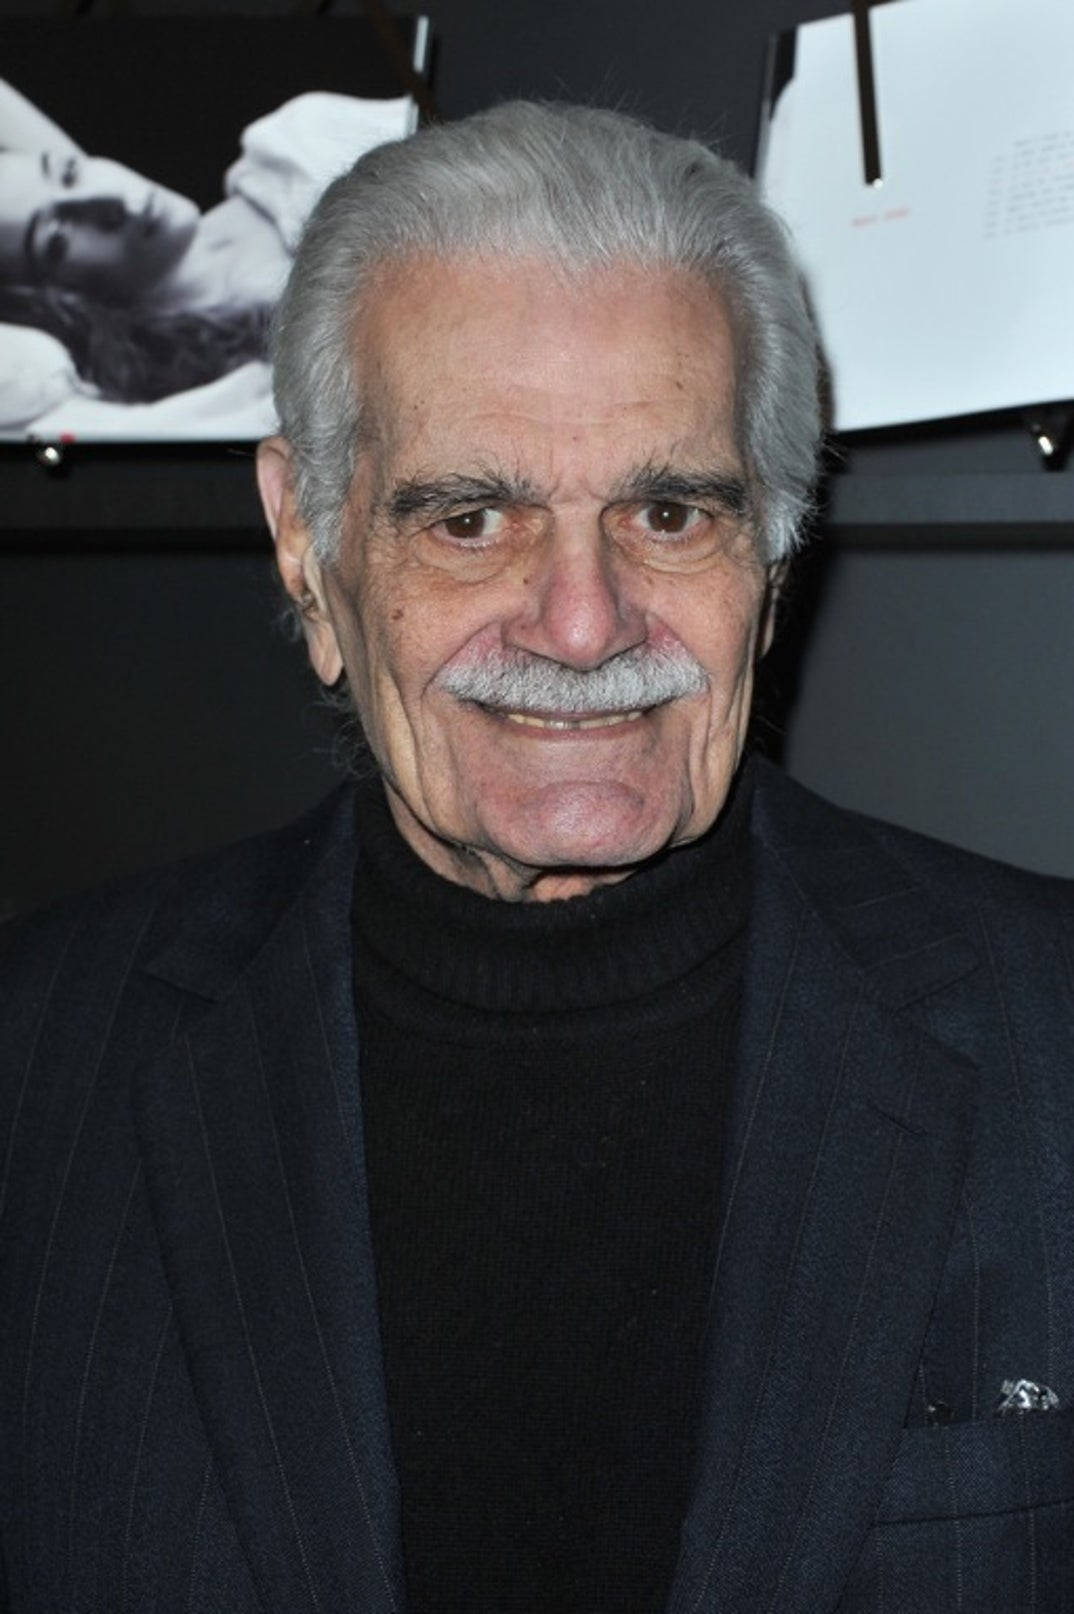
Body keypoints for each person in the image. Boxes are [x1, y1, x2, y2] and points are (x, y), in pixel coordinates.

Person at [1, 101, 1072, 1614]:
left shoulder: (1050, 1039)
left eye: (669, 510)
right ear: (306, 544)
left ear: (772, 559)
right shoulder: (36, 1066)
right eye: (469, 518)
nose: (582, 623)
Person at [0, 78, 413, 432]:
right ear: (55, 298)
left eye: (68, 171)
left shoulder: (293, 142)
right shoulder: (232, 390)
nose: (109, 199)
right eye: (57, 239)